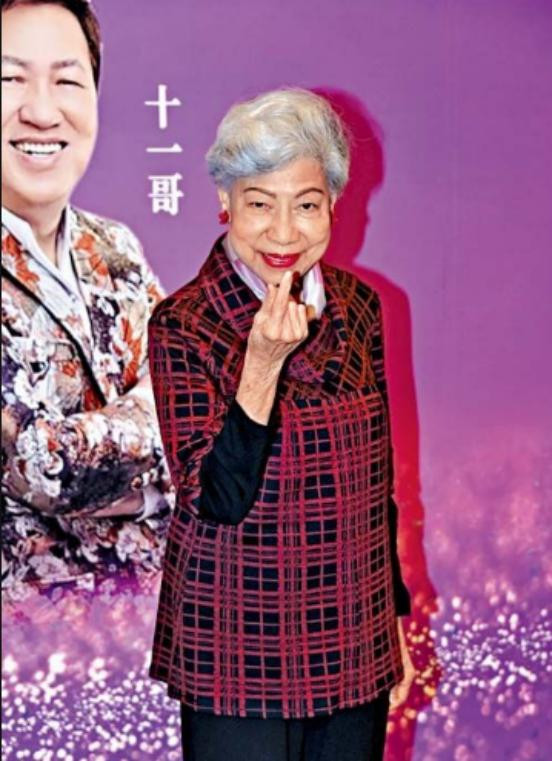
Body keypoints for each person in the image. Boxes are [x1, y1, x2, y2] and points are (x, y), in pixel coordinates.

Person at [148, 88, 415, 761]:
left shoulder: (359, 306)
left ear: (333, 205)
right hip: (237, 645)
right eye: (260, 204)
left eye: (306, 204)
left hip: (353, 638)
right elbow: (217, 496)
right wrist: (261, 364)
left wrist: (391, 627)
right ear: (225, 202)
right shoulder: (185, 324)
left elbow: (377, 488)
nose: (284, 233)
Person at [1, 0, 172, 600]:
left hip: (149, 630)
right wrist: (162, 434)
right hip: (26, 639)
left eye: (67, 81)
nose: (42, 111)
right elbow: (44, 466)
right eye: (9, 79)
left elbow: (211, 407)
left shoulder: (114, 248)